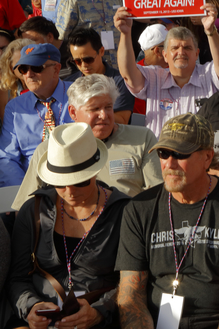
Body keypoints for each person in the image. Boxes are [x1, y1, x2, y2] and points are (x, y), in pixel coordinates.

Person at [116, 113, 219, 329]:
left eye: (181, 154)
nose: (169, 163)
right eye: (164, 153)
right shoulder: (139, 207)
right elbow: (130, 295)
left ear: (207, 158)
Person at [7, 122, 129, 329]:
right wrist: (31, 307)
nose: (70, 191)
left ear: (95, 173)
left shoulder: (124, 211)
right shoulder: (34, 210)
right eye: (61, 183)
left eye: (80, 181)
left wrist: (100, 311)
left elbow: (133, 281)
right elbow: (17, 278)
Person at [13, 74, 161, 210]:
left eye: (108, 107)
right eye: (94, 109)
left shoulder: (142, 139)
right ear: (73, 113)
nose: (103, 115)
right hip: (70, 228)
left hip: (128, 225)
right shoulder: (52, 149)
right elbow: (25, 206)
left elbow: (158, 195)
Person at [114, 3, 219, 137]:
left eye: (187, 48)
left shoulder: (208, 75)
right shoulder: (154, 77)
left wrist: (211, 31)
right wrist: (125, 33)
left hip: (198, 154)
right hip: (160, 154)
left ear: (197, 53)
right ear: (164, 55)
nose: (181, 52)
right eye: (174, 48)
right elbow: (128, 73)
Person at [0, 43, 73, 187]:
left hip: (75, 178)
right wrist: (23, 194)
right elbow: (6, 158)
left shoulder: (79, 95)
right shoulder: (15, 108)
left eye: (36, 67)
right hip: (32, 185)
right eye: (23, 69)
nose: (28, 74)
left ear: (56, 69)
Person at [63, 28, 135, 124]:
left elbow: (122, 121)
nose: (84, 65)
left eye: (88, 59)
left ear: (101, 51)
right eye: (77, 61)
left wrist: (89, 114)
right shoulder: (70, 83)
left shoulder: (120, 81)